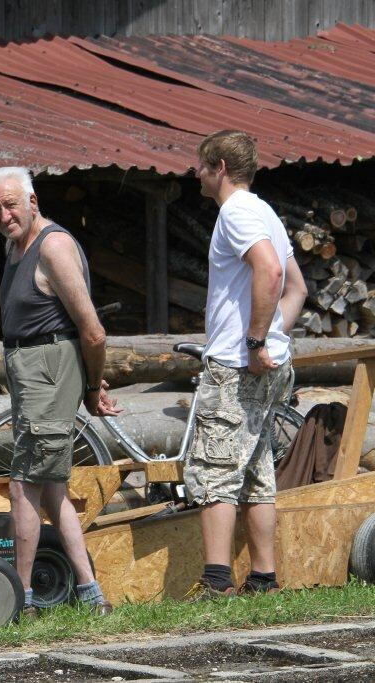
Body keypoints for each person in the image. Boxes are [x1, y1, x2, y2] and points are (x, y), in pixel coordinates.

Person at [0, 166, 119, 615]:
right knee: (53, 488)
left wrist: (92, 386)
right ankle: (90, 593)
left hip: (48, 371)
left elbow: (92, 332)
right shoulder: (14, 247)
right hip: (32, 372)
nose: (4, 215)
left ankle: (21, 598)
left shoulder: (53, 246)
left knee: (24, 488)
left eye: (11, 204)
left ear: (33, 202)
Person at [185, 130, 306, 598]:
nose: (196, 173)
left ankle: (216, 581)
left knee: (213, 468)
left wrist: (257, 341)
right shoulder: (265, 212)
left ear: (218, 167)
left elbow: (271, 272)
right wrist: (276, 336)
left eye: (200, 165)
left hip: (238, 364)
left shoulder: (236, 211)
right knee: (256, 469)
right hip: (265, 363)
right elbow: (297, 287)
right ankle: (263, 578)